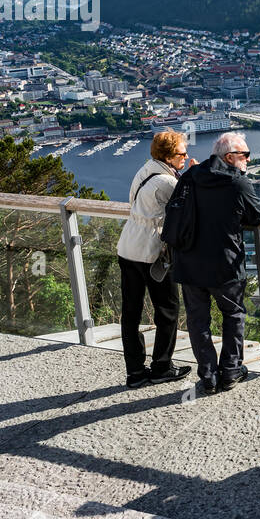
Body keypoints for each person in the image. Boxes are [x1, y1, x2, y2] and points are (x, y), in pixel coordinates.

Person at [172, 131, 260, 394]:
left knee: (198, 321)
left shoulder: (191, 175)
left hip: (189, 262)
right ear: (229, 157)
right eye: (245, 155)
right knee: (233, 315)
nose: (248, 159)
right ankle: (231, 371)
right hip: (225, 265)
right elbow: (256, 216)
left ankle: (209, 377)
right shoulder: (238, 183)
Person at [115, 130, 196, 388]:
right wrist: (193, 176)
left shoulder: (145, 171)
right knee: (168, 310)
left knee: (131, 312)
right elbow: (192, 205)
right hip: (151, 252)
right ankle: (161, 366)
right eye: (182, 154)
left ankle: (135, 371)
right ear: (168, 156)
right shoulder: (167, 182)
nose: (186, 156)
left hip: (128, 247)